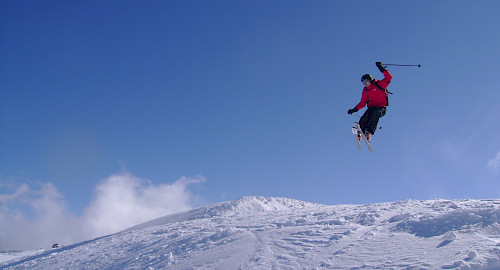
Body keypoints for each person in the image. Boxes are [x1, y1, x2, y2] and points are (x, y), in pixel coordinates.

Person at [347, 62, 392, 142]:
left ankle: (369, 133)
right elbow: (363, 102)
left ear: (370, 80)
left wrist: (381, 68)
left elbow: (389, 78)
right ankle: (360, 132)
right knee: (365, 117)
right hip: (371, 107)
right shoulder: (365, 91)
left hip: (381, 108)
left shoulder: (379, 84)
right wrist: (354, 109)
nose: (365, 84)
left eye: (366, 81)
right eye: (363, 83)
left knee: (374, 115)